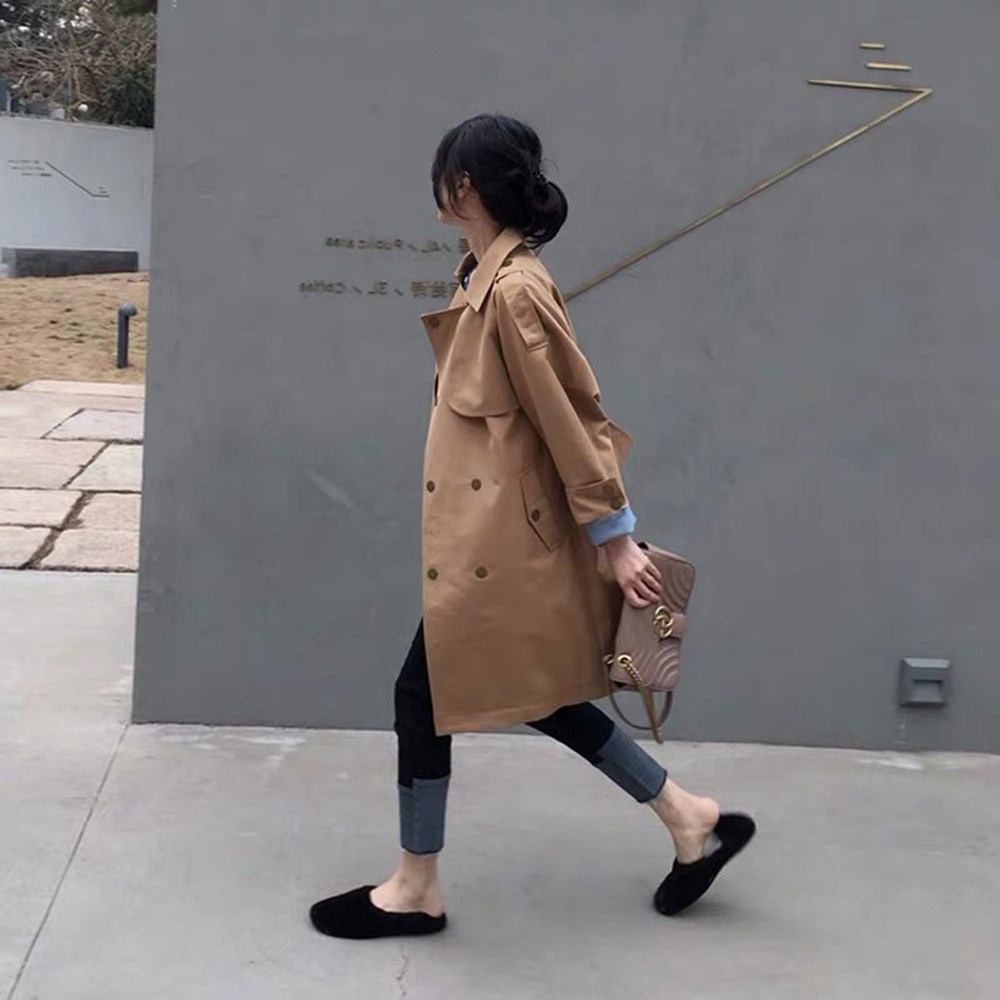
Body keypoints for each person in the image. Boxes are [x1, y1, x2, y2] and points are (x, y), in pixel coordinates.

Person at [310, 114, 754, 940]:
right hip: (491, 542)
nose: (439, 187)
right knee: (534, 695)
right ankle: (688, 816)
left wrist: (616, 538)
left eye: (446, 174)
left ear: (466, 187)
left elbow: (571, 416)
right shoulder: (481, 277)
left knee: (424, 694)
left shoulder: (514, 290)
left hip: (503, 549)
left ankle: (416, 887)